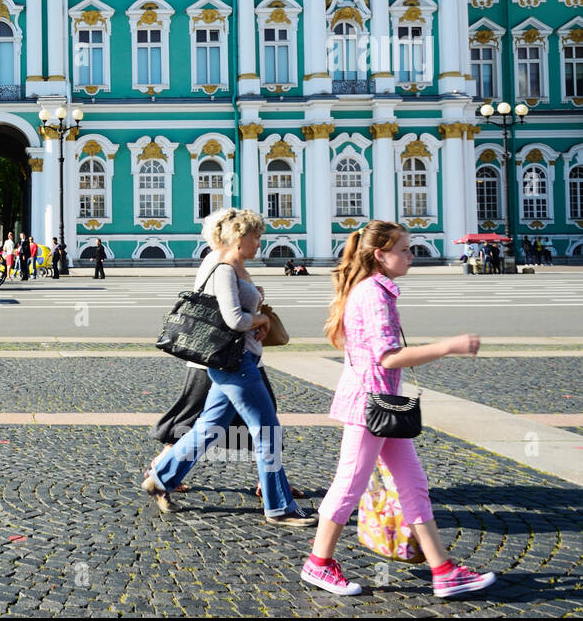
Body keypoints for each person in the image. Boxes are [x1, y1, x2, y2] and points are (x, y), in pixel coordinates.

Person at [301, 220, 496, 598]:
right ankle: (318, 564)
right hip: (369, 407)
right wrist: (448, 346)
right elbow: (388, 357)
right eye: (404, 249)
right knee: (349, 484)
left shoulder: (377, 290)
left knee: (413, 485)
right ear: (380, 255)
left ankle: (443, 570)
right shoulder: (372, 295)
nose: (411, 256)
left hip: (385, 407)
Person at [143, 208, 315, 526]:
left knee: (208, 428)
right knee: (267, 431)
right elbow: (233, 319)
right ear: (240, 237)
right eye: (256, 236)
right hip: (235, 362)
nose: (260, 243)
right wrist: (261, 318)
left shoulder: (235, 267)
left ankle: (162, 477)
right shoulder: (223, 269)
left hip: (236, 360)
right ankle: (279, 507)